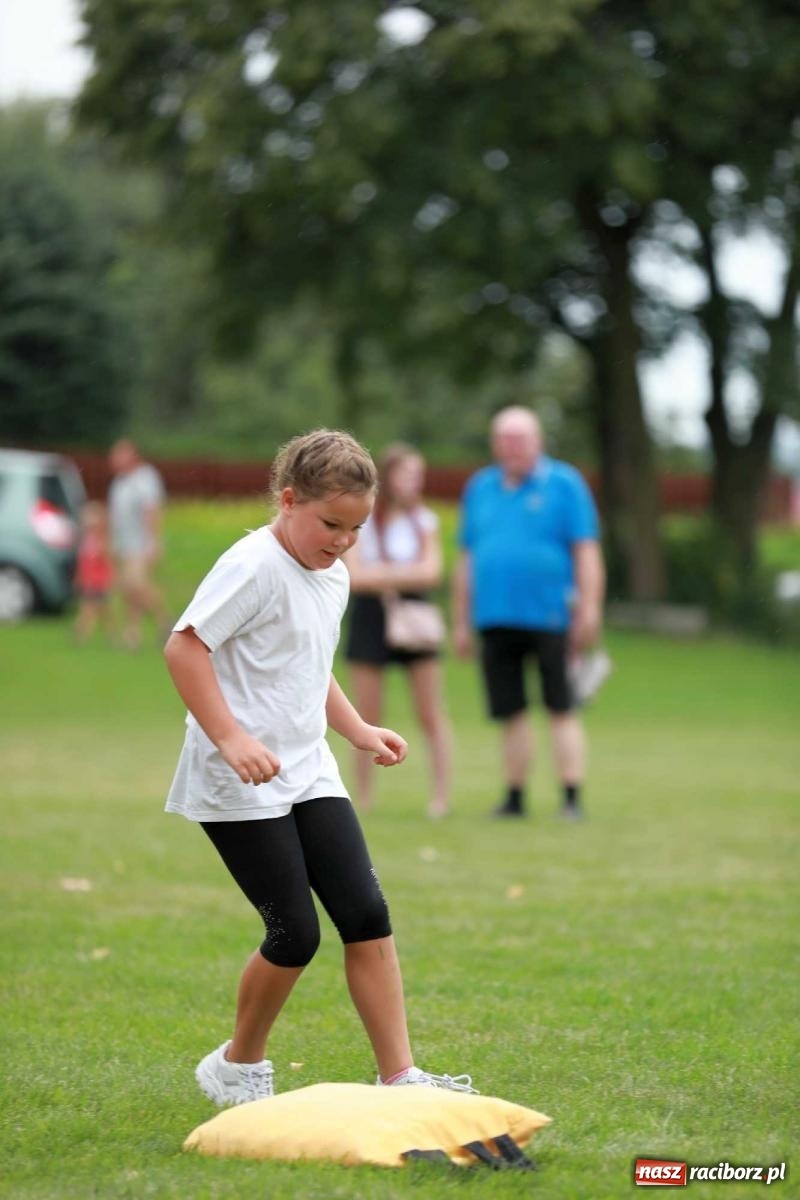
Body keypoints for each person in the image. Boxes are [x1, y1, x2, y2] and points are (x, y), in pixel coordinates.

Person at [163, 430, 476, 1106]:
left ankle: (400, 1075)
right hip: (236, 777)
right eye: (330, 523)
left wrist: (358, 730)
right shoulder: (252, 566)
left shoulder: (333, 573)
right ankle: (236, 1066)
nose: (341, 540)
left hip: (307, 767)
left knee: (365, 912)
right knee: (295, 932)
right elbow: (185, 649)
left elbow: (309, 666)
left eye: (356, 528)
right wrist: (230, 738)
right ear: (287, 500)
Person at [453, 406, 605, 820]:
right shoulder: (481, 488)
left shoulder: (565, 484)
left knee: (561, 707)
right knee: (510, 711)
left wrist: (590, 608)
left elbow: (586, 550)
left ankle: (571, 796)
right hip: (495, 616)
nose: (512, 447)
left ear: (537, 441)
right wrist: (461, 618)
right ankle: (515, 795)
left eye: (519, 438)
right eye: (504, 439)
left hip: (553, 615)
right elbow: (466, 558)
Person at [344, 443, 453, 818]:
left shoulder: (425, 521)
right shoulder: (364, 519)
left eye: (418, 475)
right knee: (365, 712)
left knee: (430, 711)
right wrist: (405, 574)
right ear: (387, 476)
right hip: (371, 616)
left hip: (415, 614)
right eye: (406, 474)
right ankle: (363, 797)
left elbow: (432, 572)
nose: (413, 482)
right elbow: (354, 576)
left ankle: (440, 797)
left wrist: (383, 576)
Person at [107, 439, 169, 649]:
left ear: (132, 455)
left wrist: (154, 542)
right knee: (128, 590)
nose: (114, 459)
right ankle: (133, 633)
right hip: (123, 543)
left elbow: (151, 511)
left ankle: (166, 620)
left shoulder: (145, 478)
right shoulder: (120, 481)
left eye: (119, 454)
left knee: (137, 584)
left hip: (140, 543)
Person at [73, 500, 114, 642]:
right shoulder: (86, 541)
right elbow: (83, 563)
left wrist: (110, 578)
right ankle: (86, 632)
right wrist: (80, 577)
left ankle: (81, 633)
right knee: (96, 609)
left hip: (99, 582)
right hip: (89, 581)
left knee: (91, 609)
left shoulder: (102, 541)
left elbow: (107, 561)